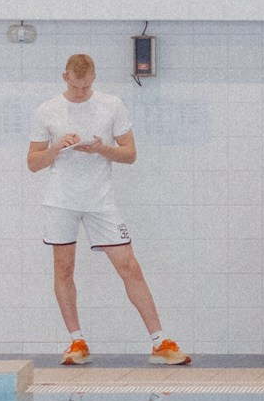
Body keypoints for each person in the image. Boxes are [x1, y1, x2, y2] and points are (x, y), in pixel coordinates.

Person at [27, 53, 185, 366]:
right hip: (61, 201)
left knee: (130, 266)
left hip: (101, 201)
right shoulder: (47, 110)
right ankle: (76, 340)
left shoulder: (111, 105)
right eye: (75, 87)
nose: (80, 93)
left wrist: (100, 148)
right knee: (64, 268)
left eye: (85, 87)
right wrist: (57, 146)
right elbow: (33, 163)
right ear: (65, 78)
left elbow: (130, 154)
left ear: (94, 79)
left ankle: (159, 340)